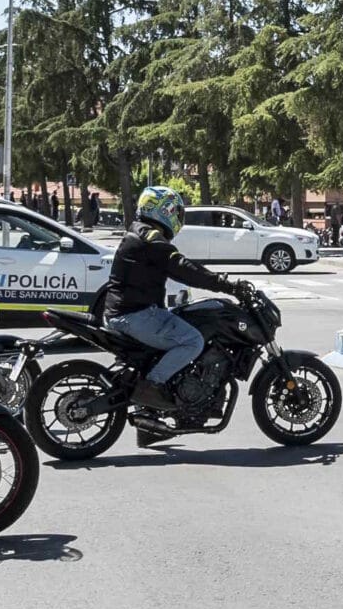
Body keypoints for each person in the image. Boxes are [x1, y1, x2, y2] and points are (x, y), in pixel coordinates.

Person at [103, 186, 243, 442]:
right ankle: (151, 388)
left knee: (181, 322)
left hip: (130, 311)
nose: (179, 217)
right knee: (193, 340)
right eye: (176, 211)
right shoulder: (150, 238)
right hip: (134, 315)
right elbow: (181, 267)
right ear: (163, 210)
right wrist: (224, 284)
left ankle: (150, 421)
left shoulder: (141, 232)